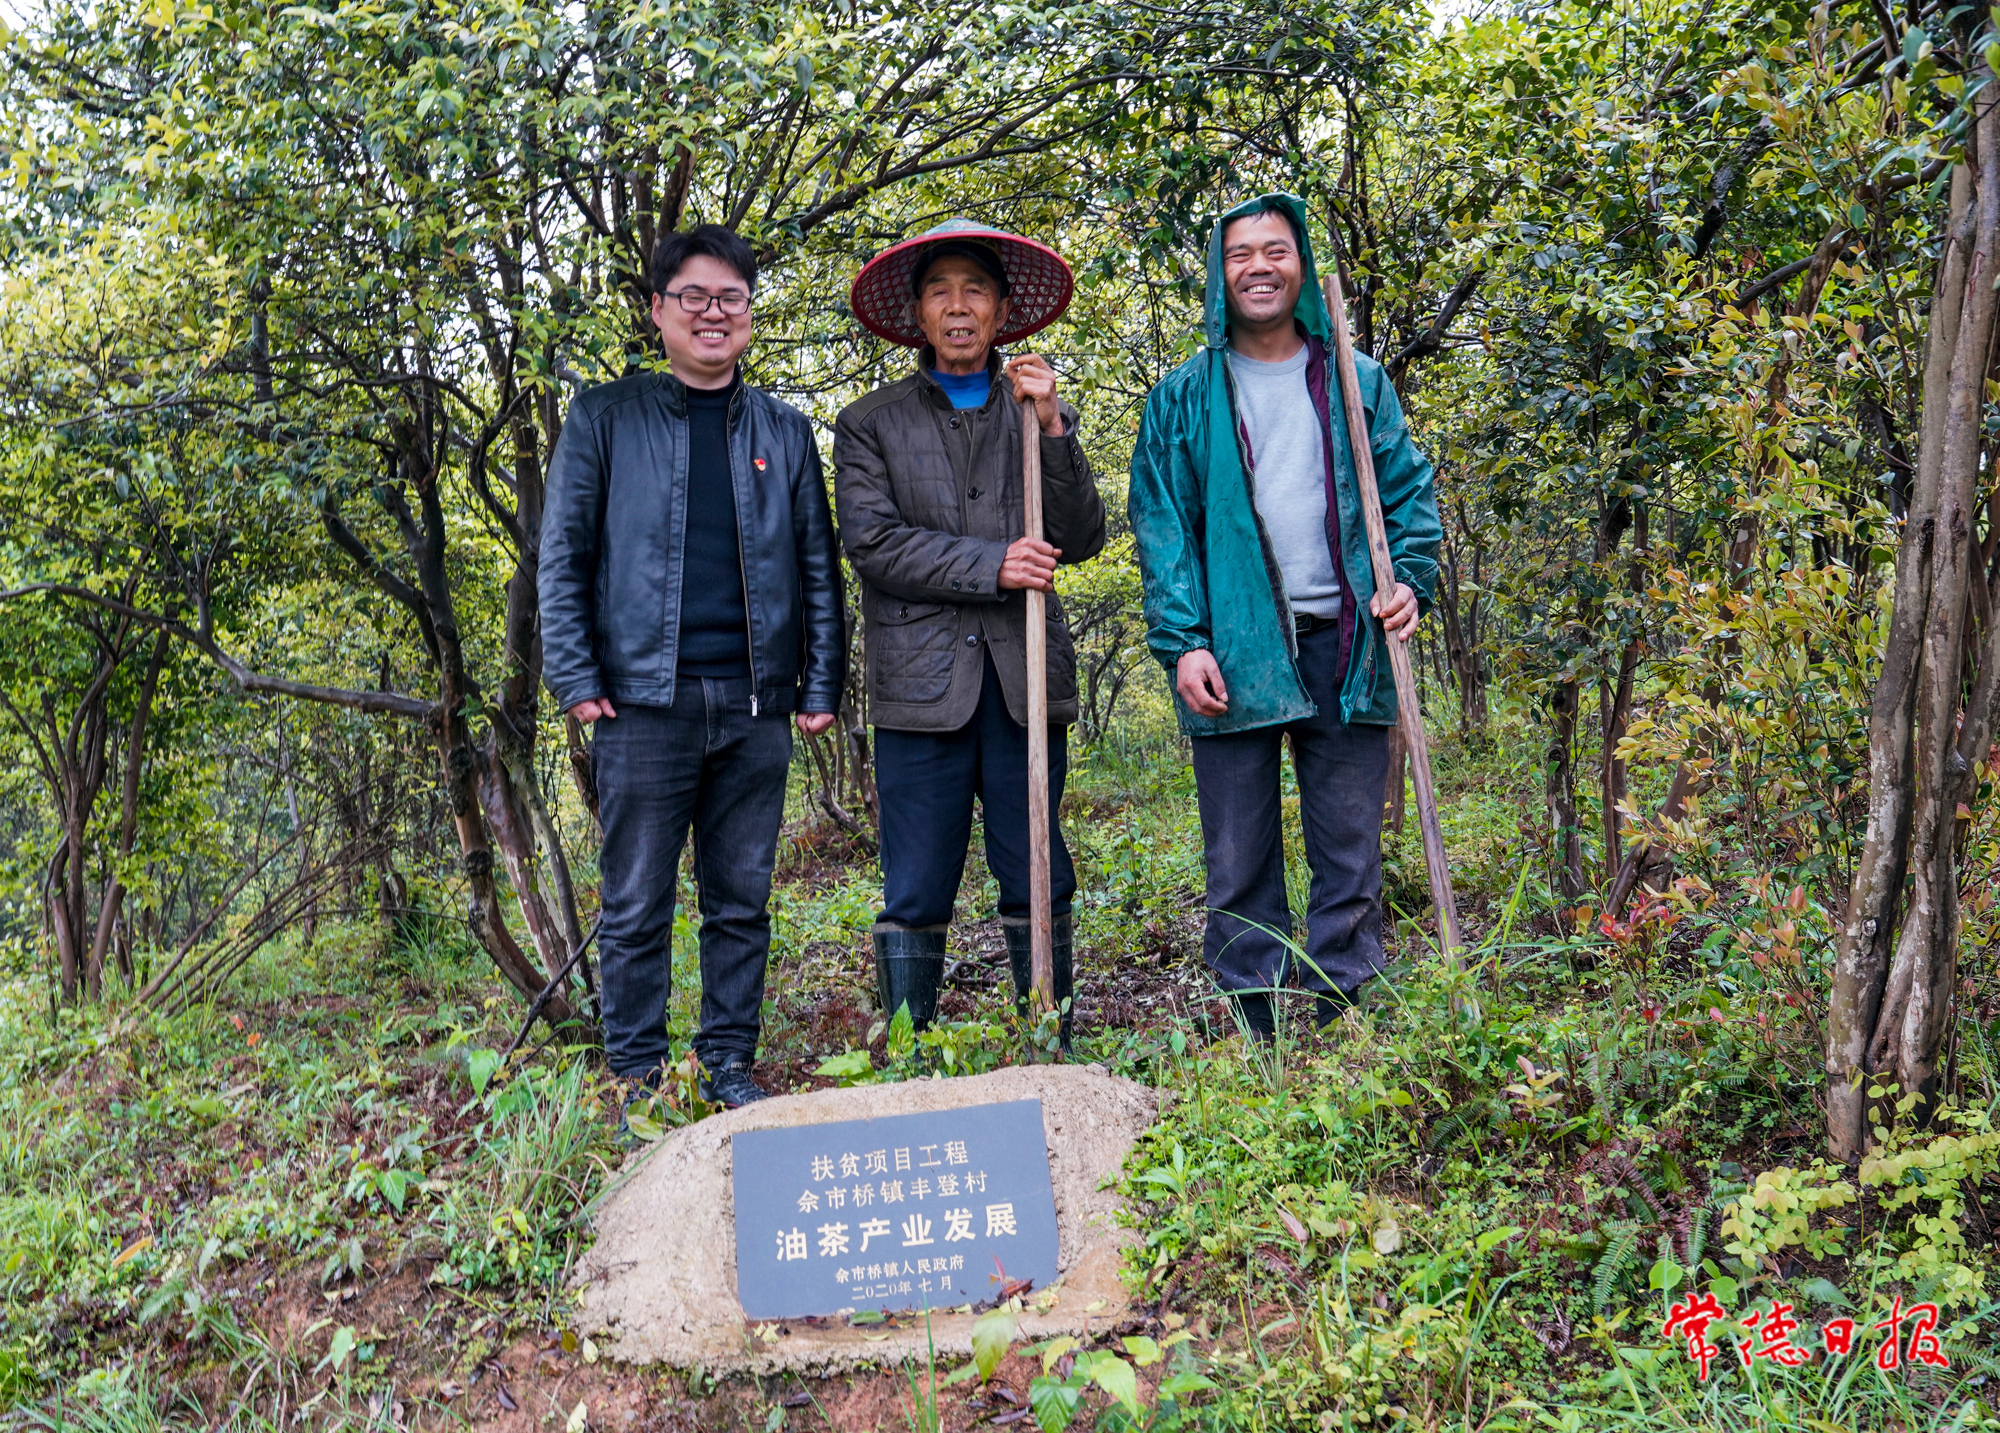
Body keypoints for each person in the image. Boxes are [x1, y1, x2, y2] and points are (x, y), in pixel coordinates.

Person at [539, 224, 845, 1107]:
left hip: (754, 704)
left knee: (740, 900)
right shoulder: (606, 417)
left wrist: (820, 680)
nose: (714, 313)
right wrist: (577, 676)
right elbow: (563, 556)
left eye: (731, 298)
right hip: (642, 701)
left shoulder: (784, 431)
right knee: (636, 900)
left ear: (749, 311)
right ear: (658, 310)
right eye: (695, 297)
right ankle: (637, 1076)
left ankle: (727, 1065)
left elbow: (817, 565)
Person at [1127, 194, 1441, 1040]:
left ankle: (1346, 1012)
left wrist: (1409, 581)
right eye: (1240, 254)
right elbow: (1163, 527)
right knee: (1237, 852)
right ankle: (1253, 1019)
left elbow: (1407, 494)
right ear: (1217, 274)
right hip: (1233, 648)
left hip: (1348, 643)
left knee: (1350, 844)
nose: (1258, 267)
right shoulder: (1183, 398)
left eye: (1276, 250)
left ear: (1300, 265)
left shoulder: (1357, 381)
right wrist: (1183, 642)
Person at [836, 219, 1105, 1045]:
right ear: (917, 313)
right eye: (941, 292)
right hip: (920, 689)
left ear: (1001, 312)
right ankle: (911, 1047)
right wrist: (994, 563)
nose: (959, 307)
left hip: (1024, 680)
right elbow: (873, 544)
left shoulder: (1034, 411)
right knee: (917, 879)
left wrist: (1053, 426)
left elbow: (1081, 535)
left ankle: (1051, 1036)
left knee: (1036, 864)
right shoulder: (869, 423)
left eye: (976, 290)